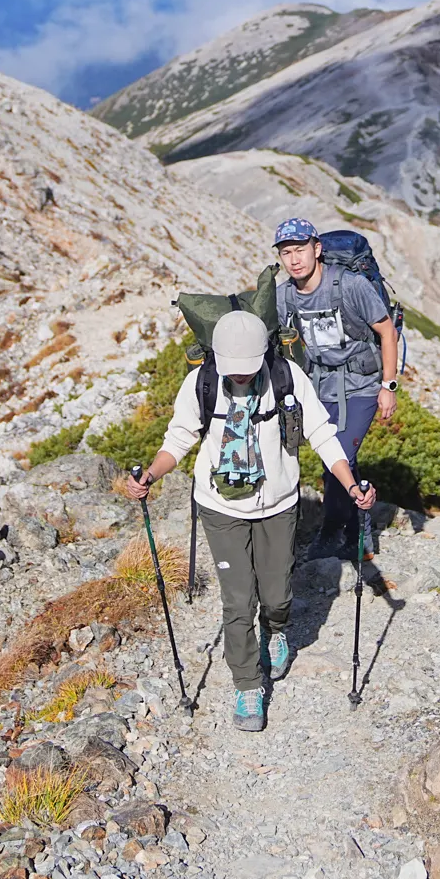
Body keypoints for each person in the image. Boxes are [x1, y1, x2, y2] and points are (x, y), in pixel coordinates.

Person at [124, 310, 376, 732]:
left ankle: (275, 630)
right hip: (220, 509)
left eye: (248, 369)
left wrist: (351, 487)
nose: (240, 377)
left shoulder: (288, 378)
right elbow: (180, 437)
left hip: (278, 505)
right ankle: (247, 685)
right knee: (238, 601)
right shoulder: (201, 383)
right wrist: (150, 474)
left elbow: (322, 435)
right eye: (232, 370)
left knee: (277, 595)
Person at [272, 218, 400, 557]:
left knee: (338, 453)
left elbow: (387, 331)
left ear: (317, 249)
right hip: (318, 385)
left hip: (361, 383)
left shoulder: (351, 285)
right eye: (286, 253)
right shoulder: (284, 296)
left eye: (300, 250)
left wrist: (388, 385)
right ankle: (357, 526)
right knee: (337, 454)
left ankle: (334, 530)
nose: (294, 259)